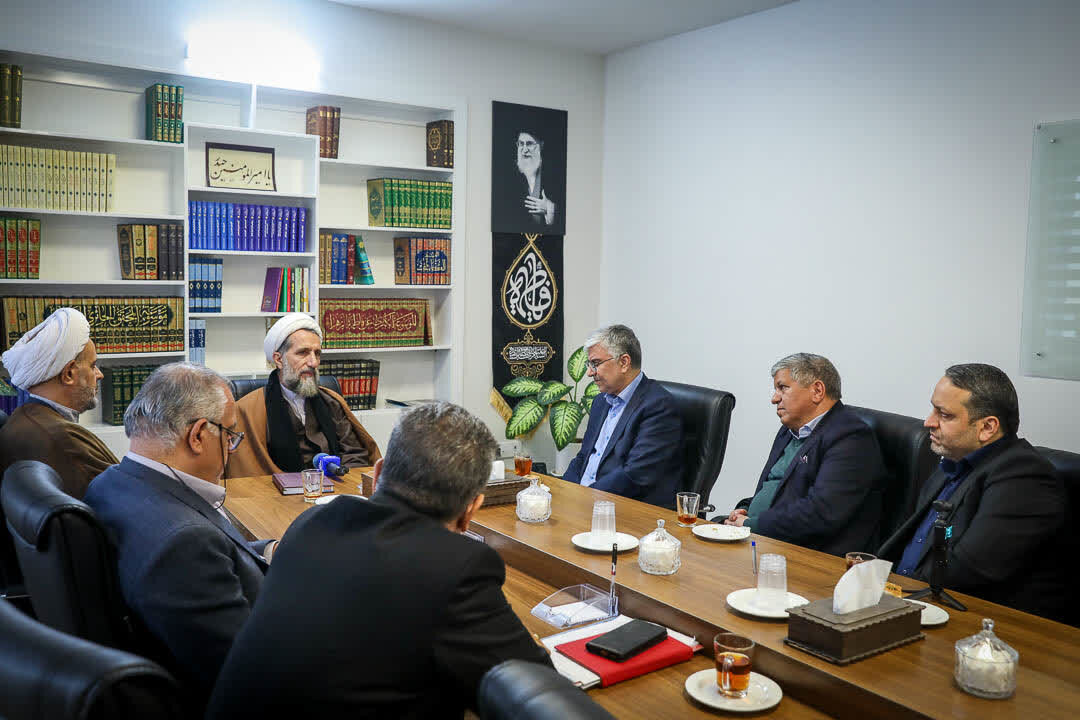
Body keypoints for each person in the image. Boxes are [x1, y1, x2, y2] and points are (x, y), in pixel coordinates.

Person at [205, 402, 552, 719]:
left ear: (379, 471)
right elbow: (536, 690)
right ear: (471, 509)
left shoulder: (311, 523)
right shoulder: (458, 569)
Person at [84, 363, 275, 709]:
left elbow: (213, 552)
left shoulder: (111, 483)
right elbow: (249, 676)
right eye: (229, 435)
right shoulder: (185, 544)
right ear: (198, 435)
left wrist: (268, 550)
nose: (232, 447)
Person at [878, 364, 1067, 622]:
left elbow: (971, 569)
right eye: (933, 409)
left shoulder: (1024, 476)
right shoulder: (952, 461)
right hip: (908, 600)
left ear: (988, 427)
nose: (928, 422)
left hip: (973, 621)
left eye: (944, 415)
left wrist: (898, 596)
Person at [722, 353, 885, 556]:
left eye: (783, 388)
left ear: (817, 391)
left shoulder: (851, 437)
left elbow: (821, 513)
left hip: (810, 556)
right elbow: (778, 488)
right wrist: (746, 509)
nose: (774, 398)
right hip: (765, 541)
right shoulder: (789, 431)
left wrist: (753, 524)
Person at [226, 312, 379, 478]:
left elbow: (355, 455)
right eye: (303, 353)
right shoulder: (248, 410)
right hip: (277, 490)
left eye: (317, 353)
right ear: (278, 360)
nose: (313, 362)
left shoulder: (330, 401)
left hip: (332, 487)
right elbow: (249, 470)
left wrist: (343, 484)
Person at [0, 307, 118, 497]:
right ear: (69, 374)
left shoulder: (22, 416)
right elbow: (127, 500)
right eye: (93, 366)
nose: (99, 375)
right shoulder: (65, 439)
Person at [562, 324, 684, 507]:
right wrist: (563, 492)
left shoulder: (659, 406)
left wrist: (584, 500)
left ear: (624, 362)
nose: (589, 372)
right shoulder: (600, 402)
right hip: (585, 503)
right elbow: (583, 457)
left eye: (595, 363)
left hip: (623, 510)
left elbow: (634, 475)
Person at [514, 129, 557, 228]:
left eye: (529, 144)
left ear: (541, 145)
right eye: (521, 144)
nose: (524, 150)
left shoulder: (554, 172)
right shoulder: (510, 174)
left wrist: (550, 208)